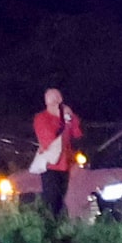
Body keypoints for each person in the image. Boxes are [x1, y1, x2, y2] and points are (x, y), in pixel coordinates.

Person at [28, 87, 81, 219]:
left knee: (60, 199)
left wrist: (71, 118)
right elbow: (49, 139)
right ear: (47, 102)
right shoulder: (41, 118)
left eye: (58, 100)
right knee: (50, 200)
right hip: (51, 165)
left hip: (65, 165)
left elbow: (77, 133)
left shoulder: (66, 117)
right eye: (52, 101)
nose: (56, 104)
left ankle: (57, 228)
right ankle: (48, 228)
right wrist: (64, 124)